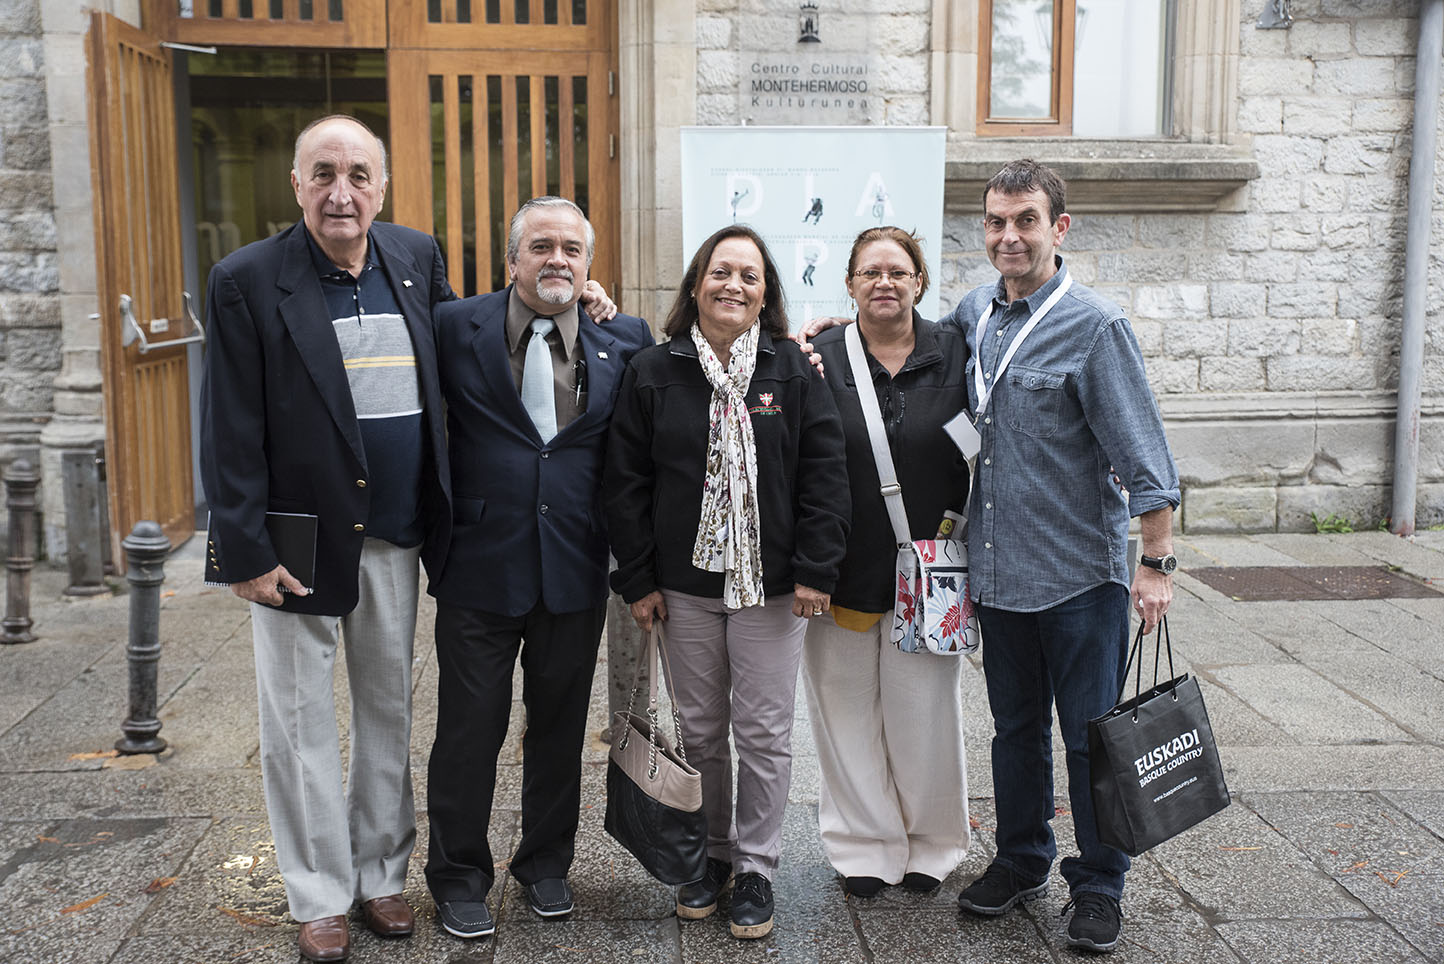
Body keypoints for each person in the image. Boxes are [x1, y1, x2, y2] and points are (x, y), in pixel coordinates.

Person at [200, 114, 455, 963]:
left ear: (382, 186)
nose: (341, 192)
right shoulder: (246, 279)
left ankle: (381, 876)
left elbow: (467, 348)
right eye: (323, 174)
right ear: (297, 184)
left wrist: (587, 306)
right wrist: (242, 550)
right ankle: (317, 893)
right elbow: (230, 422)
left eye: (357, 174)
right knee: (299, 720)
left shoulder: (416, 257)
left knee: (388, 709)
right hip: (295, 543)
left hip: (396, 531)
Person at [946, 159, 1180, 954]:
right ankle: (1021, 859)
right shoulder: (974, 313)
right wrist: (827, 335)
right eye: (996, 222)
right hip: (999, 574)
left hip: (1079, 577)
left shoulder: (1095, 325)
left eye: (1026, 221)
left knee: (1089, 741)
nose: (1008, 236)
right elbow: (906, 349)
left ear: (1059, 227)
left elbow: (1144, 454)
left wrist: (1156, 562)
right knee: (1014, 732)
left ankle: (1100, 883)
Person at [604, 224, 850, 941]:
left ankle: (757, 869)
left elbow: (824, 473)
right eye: (720, 271)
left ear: (766, 293)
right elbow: (625, 482)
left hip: (772, 589)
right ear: (696, 284)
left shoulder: (791, 369)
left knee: (765, 733)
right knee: (703, 732)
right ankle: (711, 856)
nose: (732, 285)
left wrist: (816, 569)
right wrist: (639, 579)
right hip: (683, 589)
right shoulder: (654, 370)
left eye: (749, 275)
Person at [423, 196, 653, 941]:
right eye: (542, 246)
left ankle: (546, 865)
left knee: (558, 728)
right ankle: (459, 876)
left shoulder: (625, 337)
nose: (558, 259)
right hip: (479, 565)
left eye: (572, 250)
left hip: (574, 565)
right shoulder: (453, 326)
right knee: (469, 730)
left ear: (590, 265)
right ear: (512, 260)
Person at [801, 227, 972, 900]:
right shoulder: (818, 357)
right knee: (843, 713)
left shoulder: (958, 351)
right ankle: (863, 845)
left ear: (919, 282)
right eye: (870, 272)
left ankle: (933, 842)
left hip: (929, 574)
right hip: (839, 567)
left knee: (924, 714)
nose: (884, 282)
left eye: (898, 271)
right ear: (849, 284)